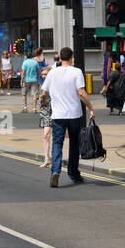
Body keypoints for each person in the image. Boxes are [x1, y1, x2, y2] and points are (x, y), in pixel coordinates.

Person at [40, 46, 95, 187]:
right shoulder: (76, 72)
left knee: (57, 143)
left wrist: (45, 101)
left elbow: (44, 92)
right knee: (74, 144)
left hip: (58, 115)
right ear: (71, 58)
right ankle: (73, 173)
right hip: (74, 114)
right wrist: (91, 108)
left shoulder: (52, 73)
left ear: (60, 57)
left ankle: (55, 172)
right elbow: (81, 93)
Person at [38, 75, 53, 168]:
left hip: (58, 112)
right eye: (42, 74)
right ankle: (47, 159)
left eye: (46, 74)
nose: (44, 76)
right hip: (47, 114)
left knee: (67, 135)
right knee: (46, 135)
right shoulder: (43, 85)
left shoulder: (54, 83)